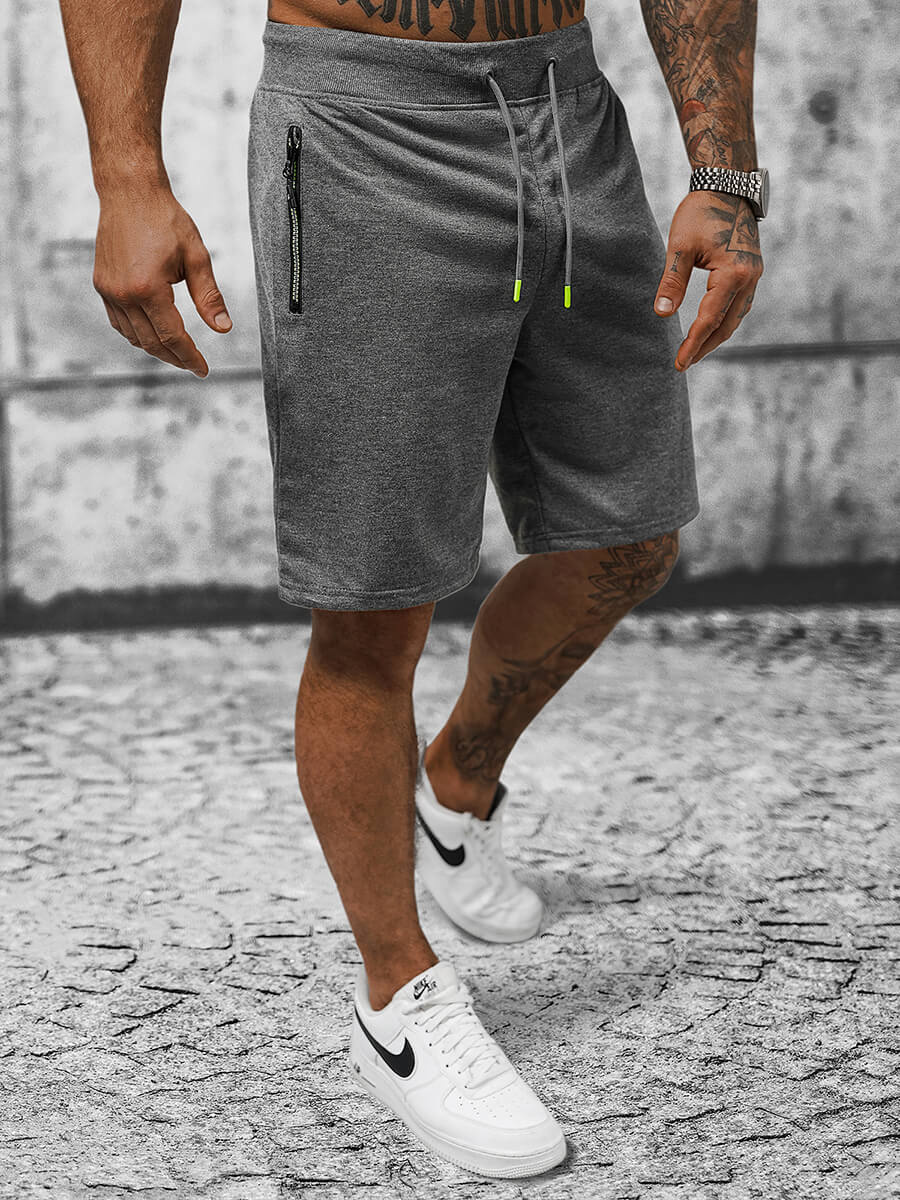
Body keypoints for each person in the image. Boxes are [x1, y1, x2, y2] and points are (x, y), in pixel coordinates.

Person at [59, 0, 765, 1178]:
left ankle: (455, 789)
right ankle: (399, 999)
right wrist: (128, 175)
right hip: (360, 132)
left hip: (567, 115)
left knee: (632, 538)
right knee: (373, 610)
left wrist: (725, 171)